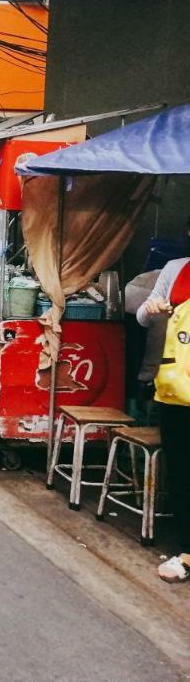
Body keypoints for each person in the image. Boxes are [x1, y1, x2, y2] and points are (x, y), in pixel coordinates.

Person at [137, 239, 190, 583]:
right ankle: (186, 550)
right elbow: (142, 316)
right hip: (176, 390)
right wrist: (153, 307)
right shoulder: (176, 269)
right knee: (183, 472)